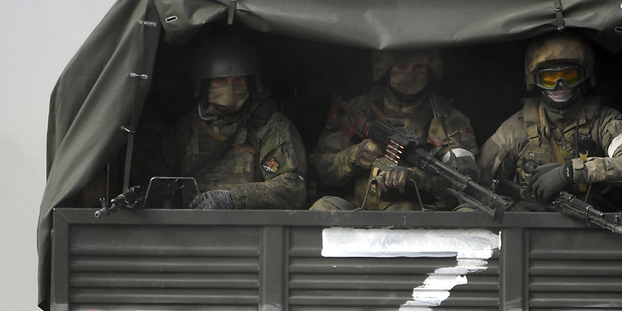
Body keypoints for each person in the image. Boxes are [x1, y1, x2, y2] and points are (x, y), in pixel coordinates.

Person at [480, 32, 622, 211]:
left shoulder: (606, 122)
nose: (560, 85)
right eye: (549, 79)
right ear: (535, 81)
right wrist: (512, 209)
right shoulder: (515, 129)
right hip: (532, 227)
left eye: (569, 76)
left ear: (585, 77)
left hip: (597, 222)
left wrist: (571, 172)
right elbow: (475, 184)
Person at [310, 49, 478, 210]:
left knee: (403, 210)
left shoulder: (446, 118)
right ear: (387, 69)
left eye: (418, 67)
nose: (410, 73)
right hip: (358, 208)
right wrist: (350, 158)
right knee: (323, 208)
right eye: (402, 66)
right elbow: (317, 167)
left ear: (430, 69)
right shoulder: (361, 108)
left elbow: (461, 177)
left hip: (411, 213)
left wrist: (418, 177)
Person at [170, 33, 307, 210]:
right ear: (204, 85)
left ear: (250, 83)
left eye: (238, 80)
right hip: (190, 231)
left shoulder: (270, 127)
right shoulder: (186, 128)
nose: (231, 87)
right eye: (220, 81)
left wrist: (233, 198)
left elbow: (292, 188)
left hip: (251, 232)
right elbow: (164, 183)